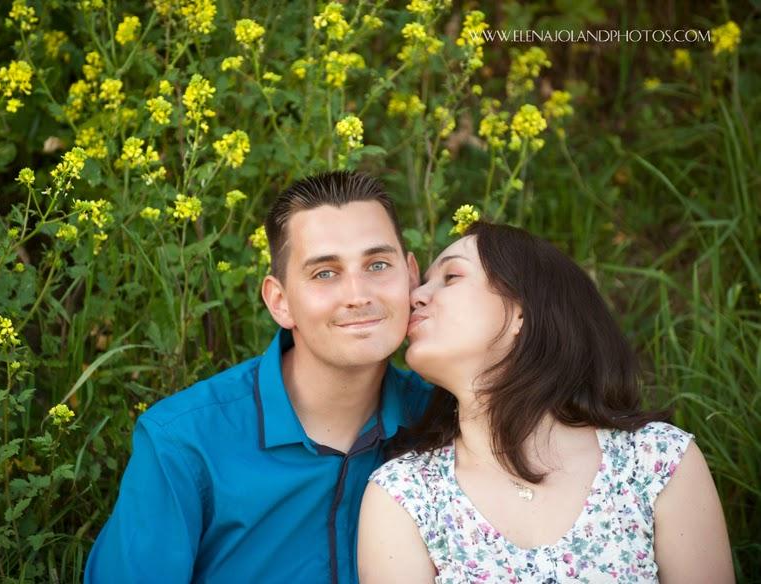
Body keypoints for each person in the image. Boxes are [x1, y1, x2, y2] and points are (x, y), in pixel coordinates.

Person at [85, 171, 430, 583]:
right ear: (280, 302)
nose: (358, 294)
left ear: (411, 276)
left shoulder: (445, 420)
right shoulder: (184, 444)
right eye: (325, 273)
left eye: (377, 264)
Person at [357, 221, 733, 583]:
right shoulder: (405, 494)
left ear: (522, 310)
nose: (416, 296)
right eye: (424, 283)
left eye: (451, 277)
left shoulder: (656, 461)